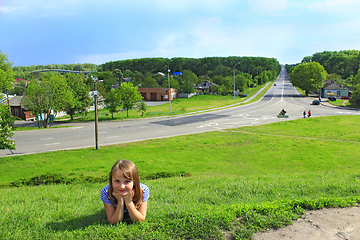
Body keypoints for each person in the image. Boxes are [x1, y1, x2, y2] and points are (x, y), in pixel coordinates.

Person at [100, 160, 149, 224]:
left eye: (127, 181)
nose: (122, 186)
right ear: (111, 180)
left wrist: (129, 202)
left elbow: (140, 220)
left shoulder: (143, 190)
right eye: (117, 181)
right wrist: (120, 201)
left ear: (134, 181)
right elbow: (113, 221)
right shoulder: (106, 192)